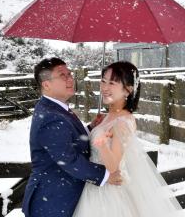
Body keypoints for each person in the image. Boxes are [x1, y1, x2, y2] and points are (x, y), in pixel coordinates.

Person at [73, 61, 185, 217]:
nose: (105, 88)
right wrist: (94, 127)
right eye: (103, 81)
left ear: (128, 90)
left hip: (107, 195)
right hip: (94, 187)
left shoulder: (122, 122)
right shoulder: (108, 116)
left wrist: (102, 144)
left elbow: (114, 167)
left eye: (112, 83)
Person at [22, 58, 121, 217]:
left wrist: (90, 129)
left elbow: (67, 141)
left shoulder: (55, 108)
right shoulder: (51, 116)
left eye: (69, 74)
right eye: (62, 76)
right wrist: (105, 175)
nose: (70, 79)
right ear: (46, 84)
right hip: (53, 201)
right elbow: (68, 159)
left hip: (59, 197)